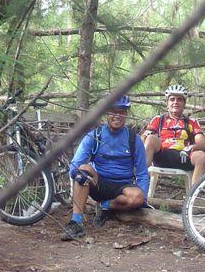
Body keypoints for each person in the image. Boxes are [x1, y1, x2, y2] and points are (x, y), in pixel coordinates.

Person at [61, 95, 149, 241]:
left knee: (138, 197)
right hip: (99, 183)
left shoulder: (134, 139)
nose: (117, 115)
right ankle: (76, 222)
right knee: (82, 169)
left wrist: (143, 199)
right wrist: (82, 177)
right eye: (113, 111)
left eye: (121, 111)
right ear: (107, 113)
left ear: (126, 113)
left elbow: (142, 172)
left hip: (123, 185)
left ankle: (106, 205)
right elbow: (74, 166)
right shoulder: (94, 136)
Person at [142, 84, 205, 184]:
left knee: (202, 156)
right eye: (172, 99)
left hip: (184, 156)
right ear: (167, 103)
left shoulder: (192, 122)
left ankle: (193, 195)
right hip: (162, 155)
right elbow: (144, 137)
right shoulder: (158, 120)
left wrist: (190, 148)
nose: (175, 102)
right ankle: (140, 180)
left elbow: (202, 144)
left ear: (184, 103)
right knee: (150, 139)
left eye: (179, 99)